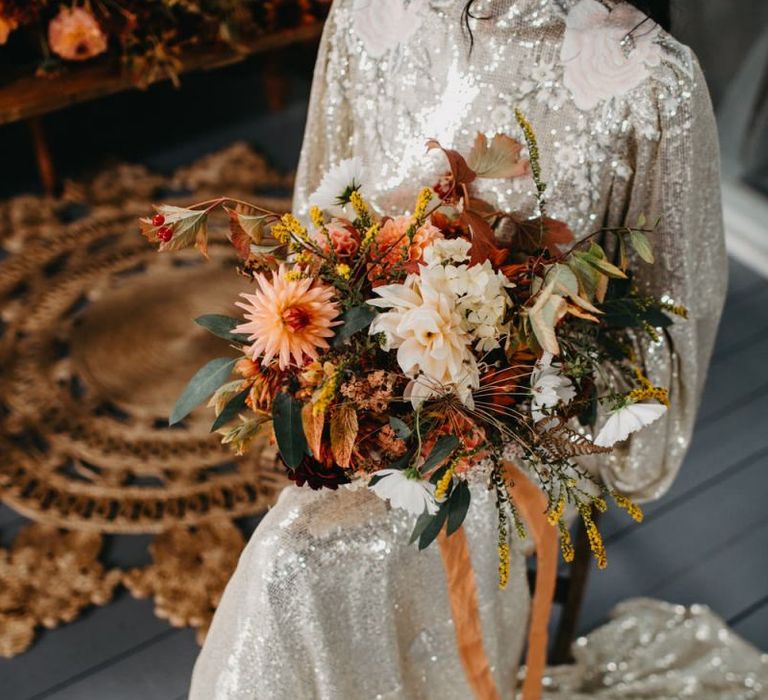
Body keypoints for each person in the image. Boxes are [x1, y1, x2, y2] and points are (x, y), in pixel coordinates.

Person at [190, 1, 728, 697]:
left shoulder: (647, 79)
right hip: (365, 366)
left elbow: (671, 306)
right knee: (293, 558)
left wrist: (567, 419)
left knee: (300, 562)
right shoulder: (365, 17)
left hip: (525, 408)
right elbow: (318, 217)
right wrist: (323, 358)